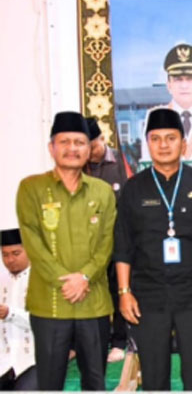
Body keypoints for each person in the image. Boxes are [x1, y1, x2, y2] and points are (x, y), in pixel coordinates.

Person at [114, 108, 192, 390]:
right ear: (147, 144)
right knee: (154, 377)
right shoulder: (134, 188)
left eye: (171, 138)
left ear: (183, 144)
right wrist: (124, 292)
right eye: (156, 139)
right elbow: (123, 245)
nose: (163, 145)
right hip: (148, 293)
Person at [16, 111, 116, 390]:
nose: (72, 148)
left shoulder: (102, 191)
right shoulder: (31, 188)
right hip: (50, 304)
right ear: (52, 148)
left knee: (95, 382)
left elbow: (107, 242)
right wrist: (66, 281)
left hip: (93, 302)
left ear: (89, 149)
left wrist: (84, 277)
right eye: (65, 142)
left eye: (79, 142)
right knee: (49, 383)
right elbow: (33, 242)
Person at [85, 116, 130, 363]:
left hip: (118, 241)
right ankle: (94, 342)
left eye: (92, 145)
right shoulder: (79, 167)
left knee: (119, 290)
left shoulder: (120, 163)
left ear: (102, 138)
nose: (89, 152)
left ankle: (119, 342)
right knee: (93, 294)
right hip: (88, 247)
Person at [0, 229, 38, 390]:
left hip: (34, 360)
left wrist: (10, 313)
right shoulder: (2, 281)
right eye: (5, 255)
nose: (10, 260)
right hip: (4, 360)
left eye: (16, 253)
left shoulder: (42, 280)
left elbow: (44, 322)